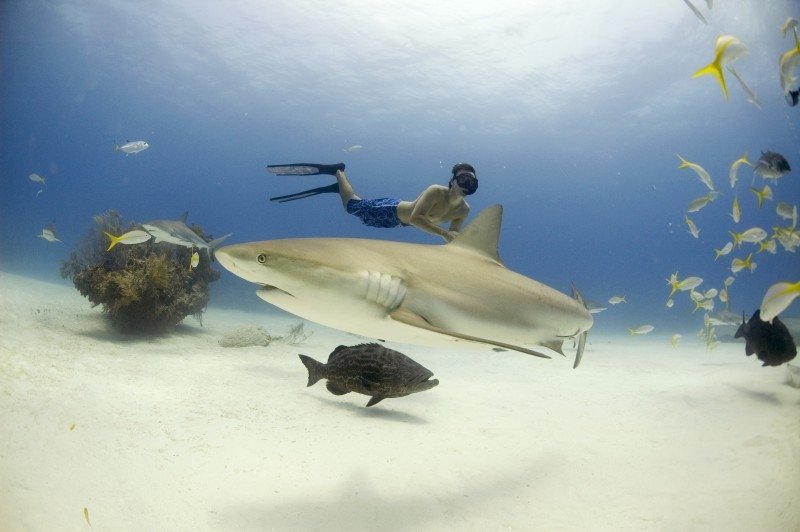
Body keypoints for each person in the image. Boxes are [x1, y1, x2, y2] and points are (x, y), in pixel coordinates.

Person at [269, 163, 479, 242]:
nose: (467, 183)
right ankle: (338, 172)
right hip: (391, 210)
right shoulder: (436, 191)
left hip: (396, 223)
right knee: (352, 208)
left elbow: (454, 236)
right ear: (452, 181)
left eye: (471, 180)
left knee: (356, 211)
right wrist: (443, 233)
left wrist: (455, 240)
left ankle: (339, 188)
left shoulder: (463, 210)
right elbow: (416, 218)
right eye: (463, 179)